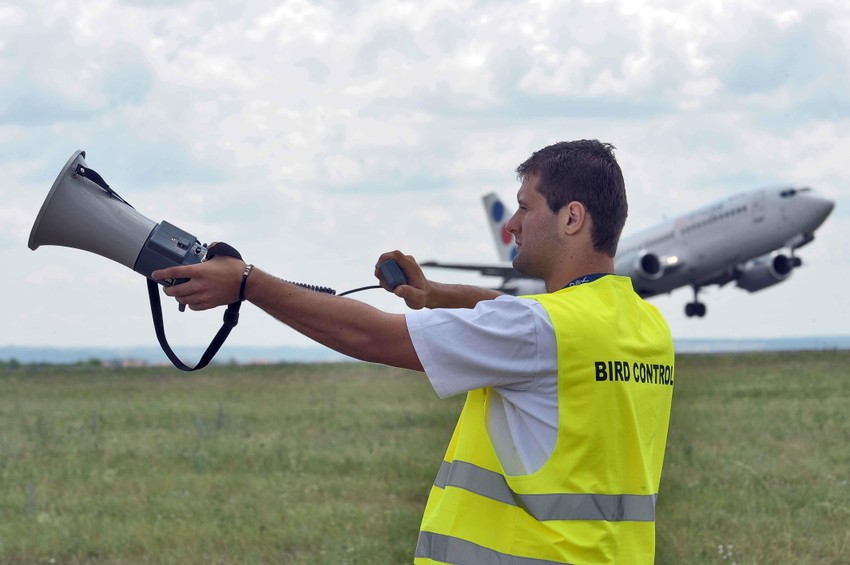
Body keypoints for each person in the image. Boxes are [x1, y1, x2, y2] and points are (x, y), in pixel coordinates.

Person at [152, 139, 675, 565]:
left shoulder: (540, 331)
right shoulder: (645, 327)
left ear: (572, 218)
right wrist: (440, 296)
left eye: (525, 206)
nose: (513, 224)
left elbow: (373, 336)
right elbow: (537, 321)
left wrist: (248, 283)